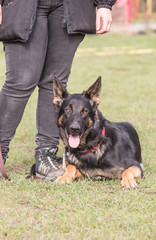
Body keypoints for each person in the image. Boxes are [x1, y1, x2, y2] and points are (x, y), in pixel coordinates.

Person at [0, 0, 116, 180]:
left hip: (70, 5)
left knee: (54, 84)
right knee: (21, 81)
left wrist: (104, 4)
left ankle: (46, 155)